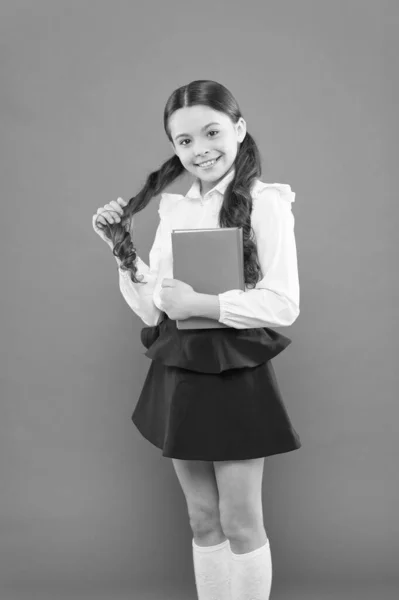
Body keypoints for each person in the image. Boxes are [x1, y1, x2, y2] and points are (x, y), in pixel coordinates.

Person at [92, 79, 301, 600]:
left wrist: (204, 305)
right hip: (181, 367)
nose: (199, 149)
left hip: (234, 369)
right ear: (173, 147)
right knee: (203, 519)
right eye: (183, 141)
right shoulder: (175, 209)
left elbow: (283, 304)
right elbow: (155, 305)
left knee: (240, 520)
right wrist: (122, 251)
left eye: (211, 132)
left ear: (239, 129)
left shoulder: (266, 202)